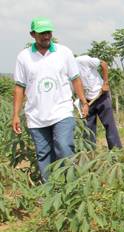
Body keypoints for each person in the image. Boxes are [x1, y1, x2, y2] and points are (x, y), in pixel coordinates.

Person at [12, 17, 88, 182]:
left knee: (64, 146)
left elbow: (75, 78)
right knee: (43, 154)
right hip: (36, 114)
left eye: (48, 32)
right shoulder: (24, 57)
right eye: (41, 33)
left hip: (62, 110)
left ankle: (71, 185)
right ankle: (50, 190)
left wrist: (83, 100)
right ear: (33, 34)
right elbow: (19, 87)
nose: (46, 36)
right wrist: (16, 115)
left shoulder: (64, 52)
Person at [75, 55, 122, 149]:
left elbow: (103, 64)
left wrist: (105, 83)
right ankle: (90, 154)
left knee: (109, 125)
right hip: (86, 102)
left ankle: (117, 152)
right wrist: (83, 103)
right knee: (88, 129)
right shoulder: (67, 74)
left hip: (101, 95)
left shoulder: (82, 60)